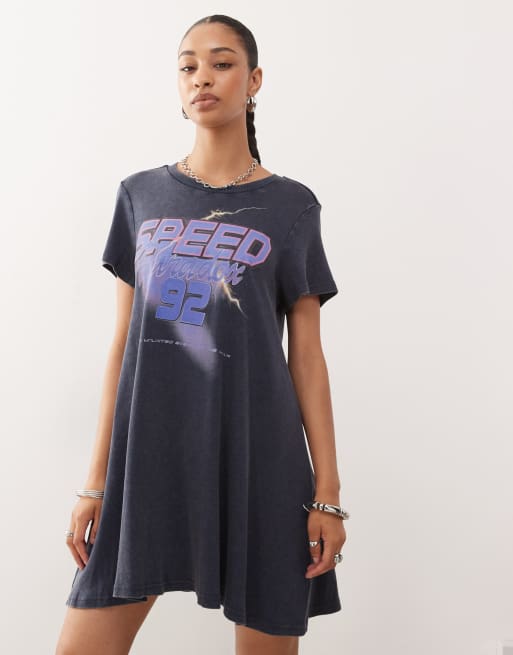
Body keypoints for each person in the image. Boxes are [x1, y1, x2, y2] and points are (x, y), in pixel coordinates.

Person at [55, 14, 349, 655]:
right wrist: (95, 482)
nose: (201, 78)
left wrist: (327, 494)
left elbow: (306, 357)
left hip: (257, 454)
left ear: (254, 80)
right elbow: (122, 345)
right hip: (148, 452)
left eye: (221, 63)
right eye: (188, 66)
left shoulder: (292, 206)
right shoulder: (140, 196)